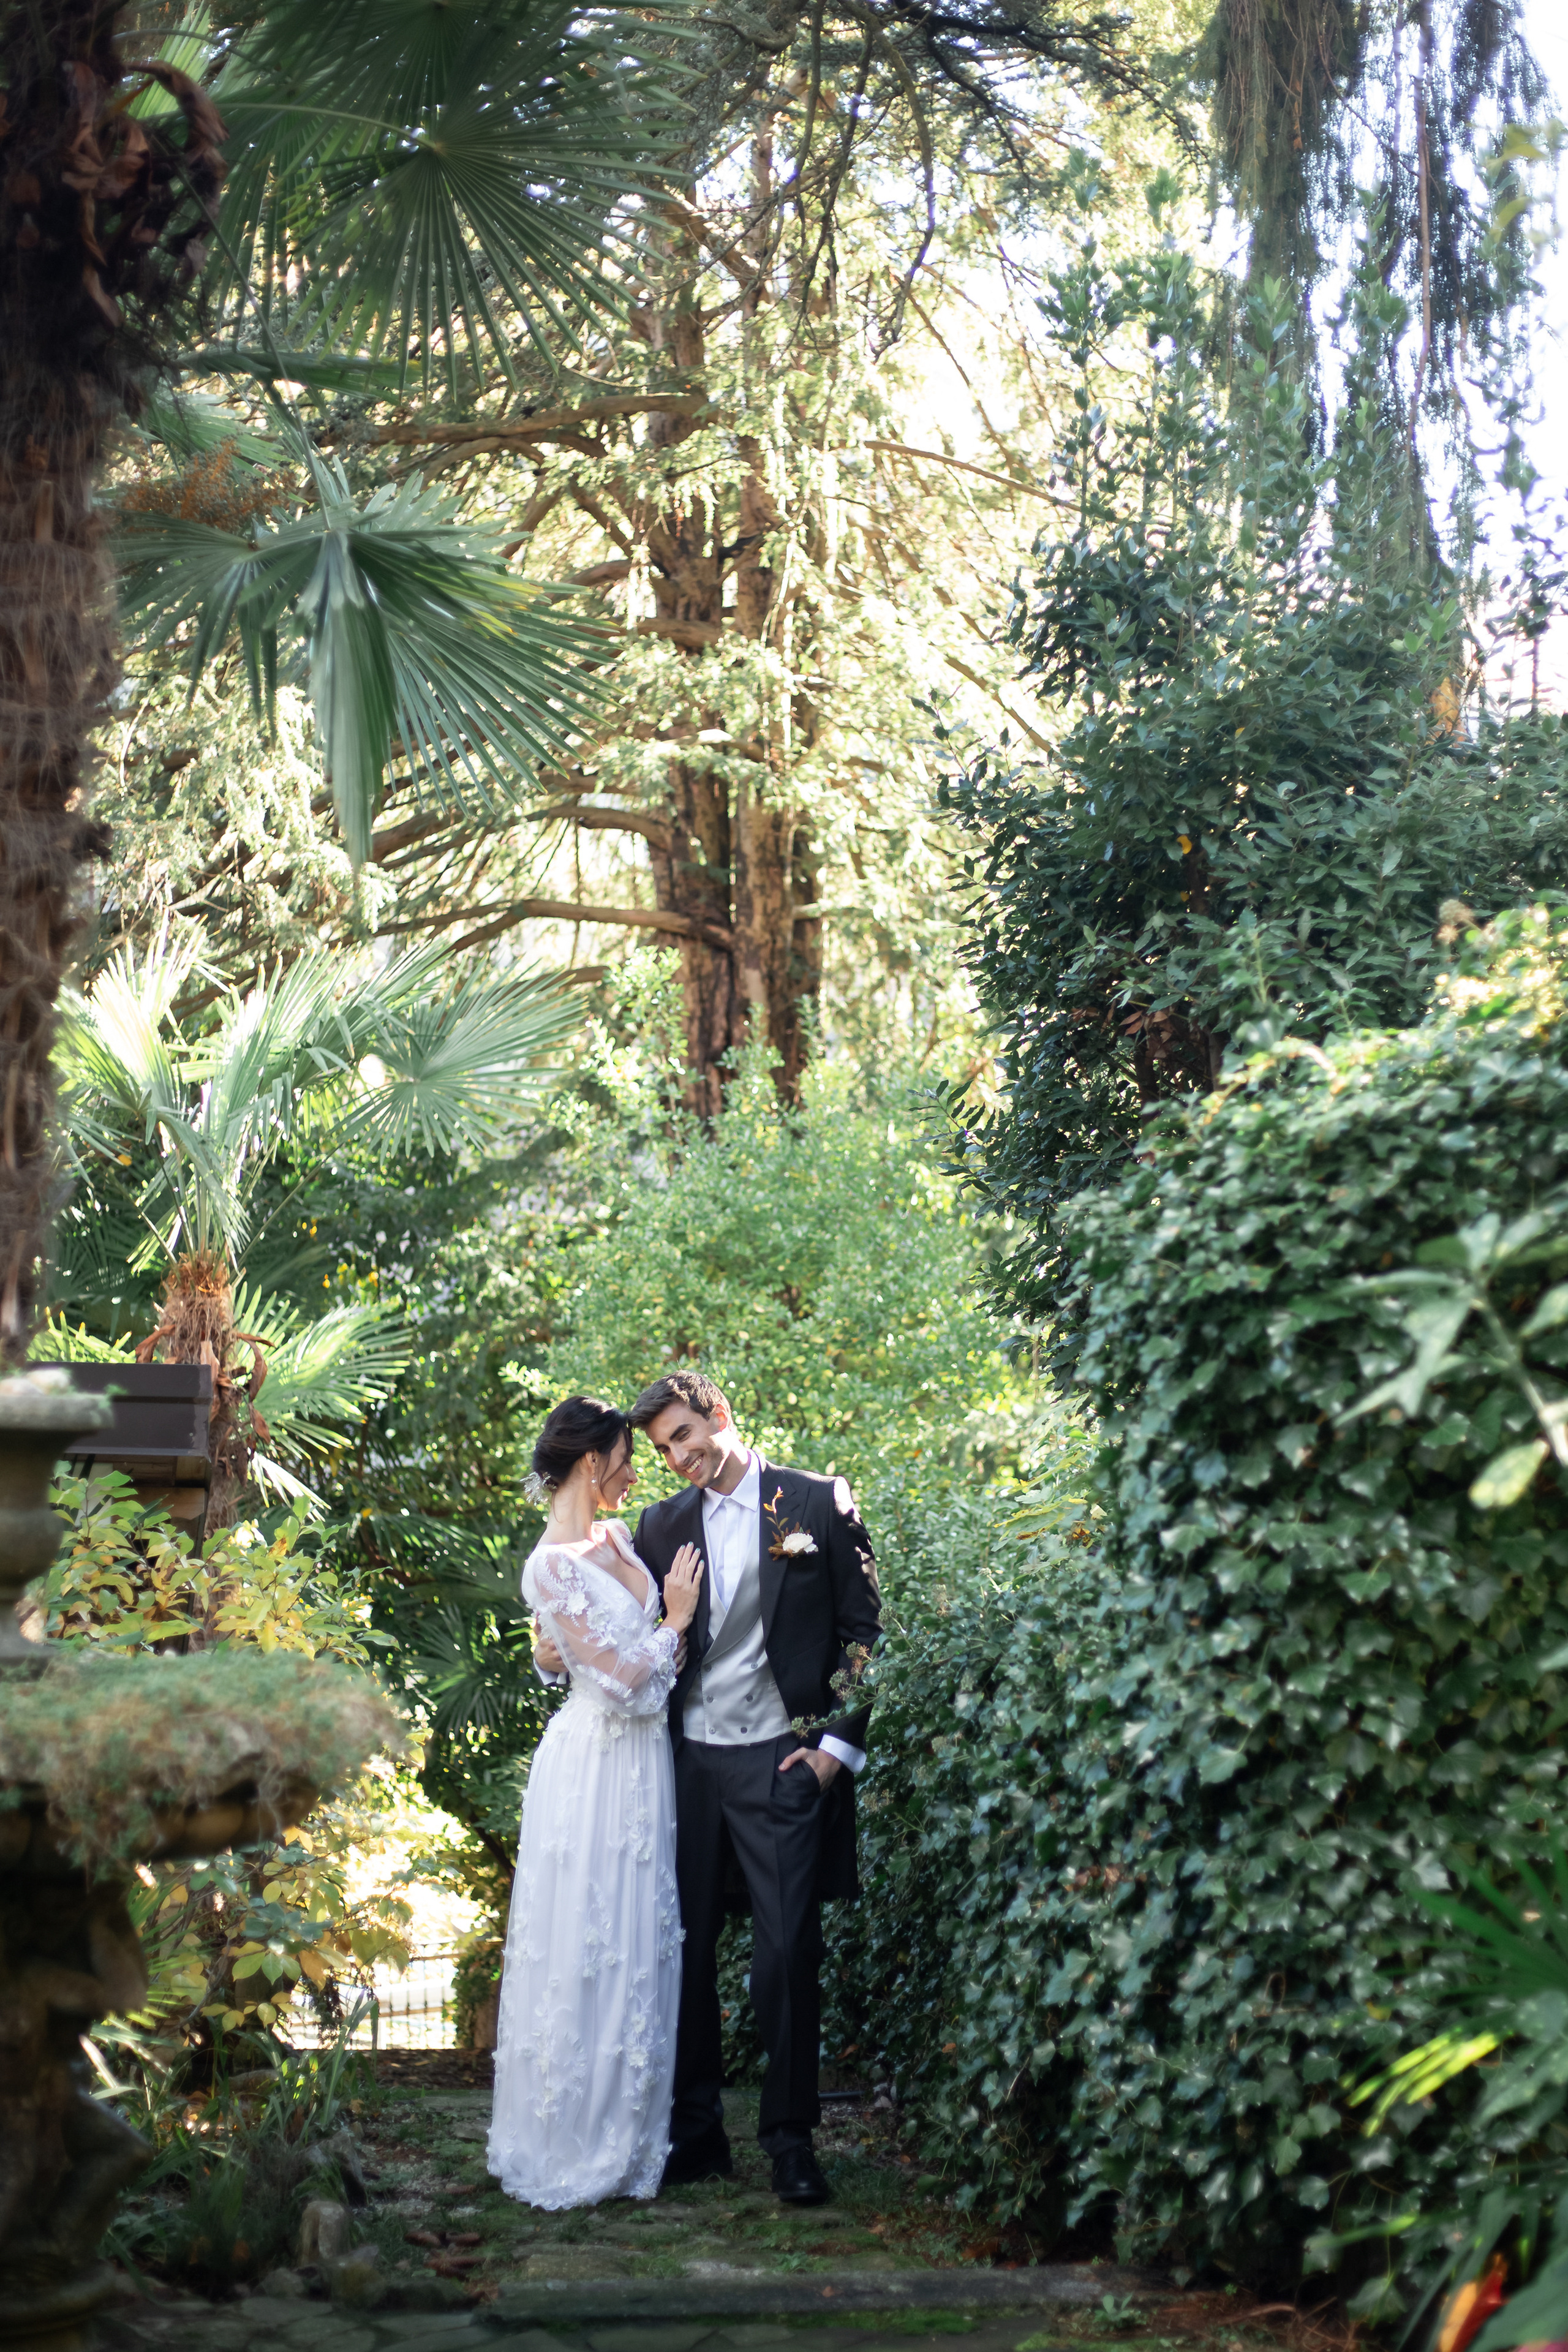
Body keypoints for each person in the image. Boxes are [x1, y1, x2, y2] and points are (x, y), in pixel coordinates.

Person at [628, 1371, 882, 2207]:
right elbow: (630, 1636)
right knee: (686, 1951)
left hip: (782, 1760)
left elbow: (864, 1637)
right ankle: (697, 2137)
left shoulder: (814, 1502)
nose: (677, 1458)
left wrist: (833, 1751)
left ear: (721, 1416)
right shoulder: (661, 1526)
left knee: (785, 1954)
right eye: (665, 1448)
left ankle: (790, 2141)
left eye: (684, 1438)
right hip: (689, 1764)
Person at [487, 1395, 703, 2209]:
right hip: (594, 1766)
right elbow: (614, 1682)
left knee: (635, 1936)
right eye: (624, 1456)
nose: (635, 1471)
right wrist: (674, 1624)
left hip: (644, 1766)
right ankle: (574, 2136)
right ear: (590, 1462)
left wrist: (563, 1657)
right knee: (587, 1936)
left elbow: (584, 1653)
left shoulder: (614, 1538)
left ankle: (634, 2130)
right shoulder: (548, 1564)